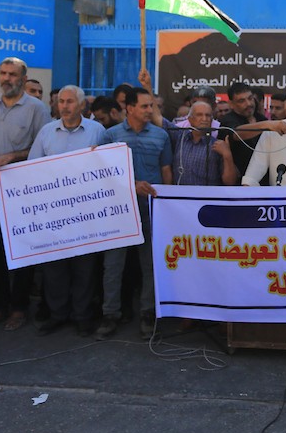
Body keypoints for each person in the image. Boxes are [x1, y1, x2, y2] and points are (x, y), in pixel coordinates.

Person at [0, 57, 51, 333]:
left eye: (12, 74)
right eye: (3, 73)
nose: (6, 78)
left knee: (21, 253)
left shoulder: (37, 109)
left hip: (21, 196)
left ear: (23, 78)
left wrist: (11, 156)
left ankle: (19, 307)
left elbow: (42, 148)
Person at [24, 86, 107, 337]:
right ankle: (57, 314)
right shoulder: (47, 132)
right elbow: (32, 168)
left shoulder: (97, 131)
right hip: (54, 214)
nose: (65, 106)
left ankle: (82, 316)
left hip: (86, 212)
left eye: (70, 101)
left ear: (81, 105)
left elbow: (108, 167)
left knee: (85, 267)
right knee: (55, 267)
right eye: (61, 101)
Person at [99, 87, 174, 341]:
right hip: (118, 209)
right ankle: (110, 315)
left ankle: (148, 314)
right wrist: (132, 186)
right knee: (113, 265)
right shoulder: (110, 136)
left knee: (150, 264)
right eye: (144, 106)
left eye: (151, 105)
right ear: (129, 108)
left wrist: (166, 203)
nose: (150, 110)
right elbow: (102, 174)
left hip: (151, 208)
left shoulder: (161, 136)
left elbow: (166, 170)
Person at [171, 99, 239, 187]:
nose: (204, 119)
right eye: (199, 115)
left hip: (208, 195)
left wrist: (227, 155)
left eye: (208, 115)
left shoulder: (218, 145)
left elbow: (230, 182)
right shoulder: (179, 139)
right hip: (180, 194)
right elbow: (160, 121)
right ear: (190, 119)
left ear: (212, 120)